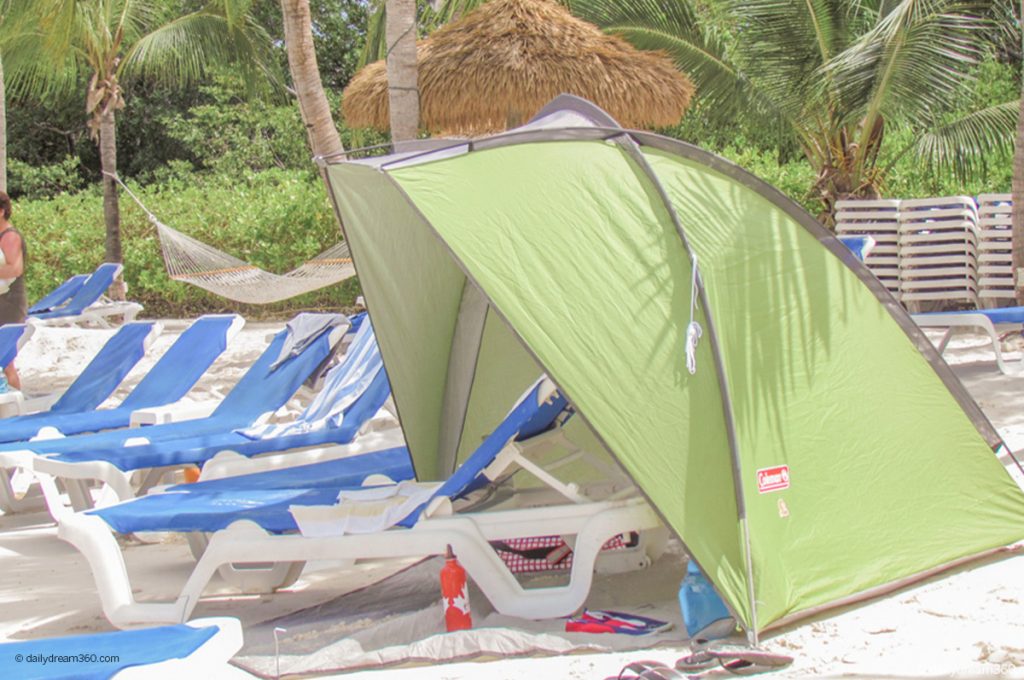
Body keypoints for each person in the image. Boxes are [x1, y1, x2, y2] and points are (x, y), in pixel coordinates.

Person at [0, 191, 26, 391]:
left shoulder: (9, 236)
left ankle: (15, 408)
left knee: (6, 360)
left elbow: (15, 269)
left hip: (9, 302)